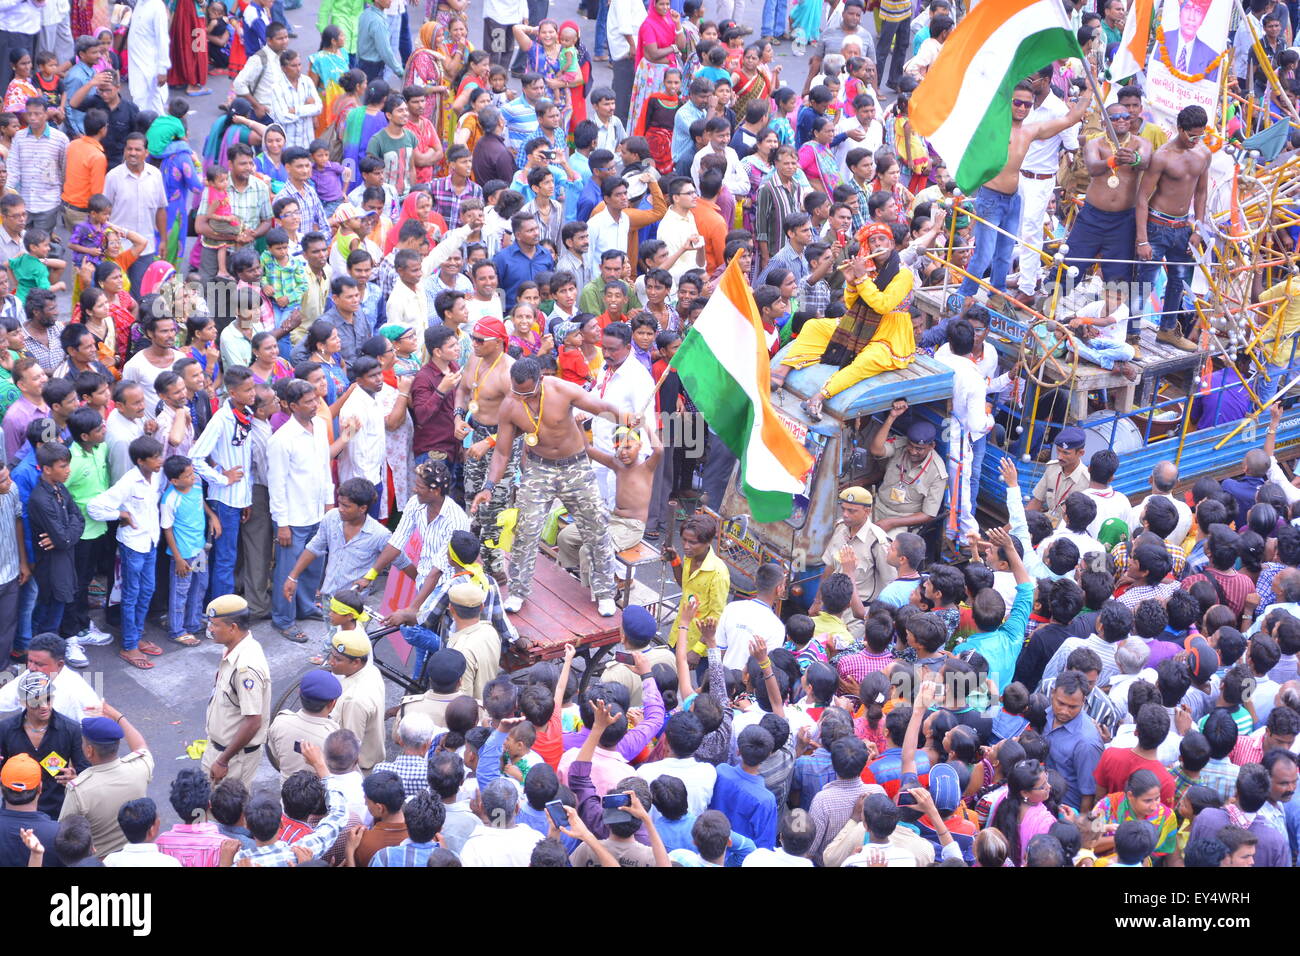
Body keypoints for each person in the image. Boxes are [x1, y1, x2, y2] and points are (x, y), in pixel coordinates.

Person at [472, 358, 625, 616]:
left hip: (575, 466)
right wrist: (489, 485)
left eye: (527, 393)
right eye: (516, 391)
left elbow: (599, 406)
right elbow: (501, 452)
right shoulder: (510, 405)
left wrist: (627, 417)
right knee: (526, 531)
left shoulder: (560, 389)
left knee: (596, 526)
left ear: (540, 381)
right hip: (539, 469)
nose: (521, 398)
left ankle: (605, 592)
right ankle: (518, 592)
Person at [1135, 105, 1211, 352]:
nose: (1195, 140)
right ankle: (1132, 336)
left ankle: (1167, 330)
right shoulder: (1162, 156)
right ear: (1180, 129)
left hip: (1183, 229)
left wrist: (1198, 228)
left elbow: (1201, 193)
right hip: (1156, 226)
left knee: (1178, 282)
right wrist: (1142, 240)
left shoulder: (1203, 154)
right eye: (1192, 135)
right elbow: (1142, 197)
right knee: (1145, 283)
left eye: (1200, 135)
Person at [59, 704, 153, 859]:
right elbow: (141, 746)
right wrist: (118, 716)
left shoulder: (78, 791)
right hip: (135, 855)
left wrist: (81, 782)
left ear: (89, 751)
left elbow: (65, 834)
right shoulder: (140, 768)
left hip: (101, 860)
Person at [201, 594, 271, 788]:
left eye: (215, 625)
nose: (210, 629)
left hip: (232, 759)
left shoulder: (246, 668)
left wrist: (223, 761)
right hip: (220, 751)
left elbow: (253, 721)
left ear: (233, 628)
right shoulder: (235, 648)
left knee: (223, 815)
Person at [326, 627, 386, 772]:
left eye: (338, 659)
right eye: (331, 655)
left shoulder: (353, 701)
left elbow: (348, 748)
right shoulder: (371, 670)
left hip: (360, 770)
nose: (331, 662)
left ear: (356, 662)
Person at [266, 669, 342, 781]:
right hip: (320, 796)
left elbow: (275, 755)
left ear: (299, 693)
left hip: (286, 793)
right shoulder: (335, 739)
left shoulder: (280, 722)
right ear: (332, 703)